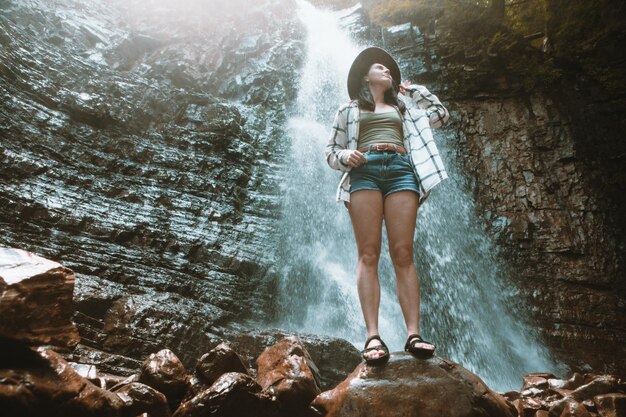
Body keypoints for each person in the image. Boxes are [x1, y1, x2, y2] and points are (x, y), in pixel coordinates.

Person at [324, 47, 450, 365]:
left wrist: (411, 89)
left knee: (403, 253)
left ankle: (413, 335)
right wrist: (344, 157)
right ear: (366, 75)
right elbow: (330, 151)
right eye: (380, 67)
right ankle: (372, 336)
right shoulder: (348, 110)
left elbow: (440, 115)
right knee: (368, 254)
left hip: (401, 170)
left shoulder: (404, 107)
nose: (387, 71)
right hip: (364, 170)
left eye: (389, 69)